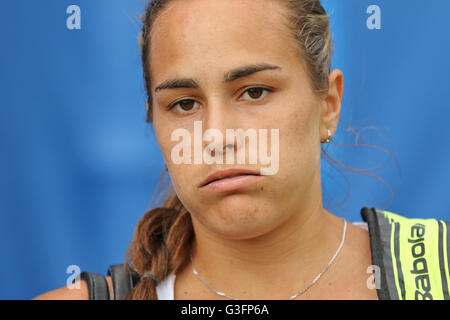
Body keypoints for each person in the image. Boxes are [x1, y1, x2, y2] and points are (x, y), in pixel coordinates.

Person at [34, 0, 450, 300]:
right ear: (154, 123)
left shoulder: (437, 271)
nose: (217, 135)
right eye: (184, 103)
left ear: (328, 104)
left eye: (254, 92)